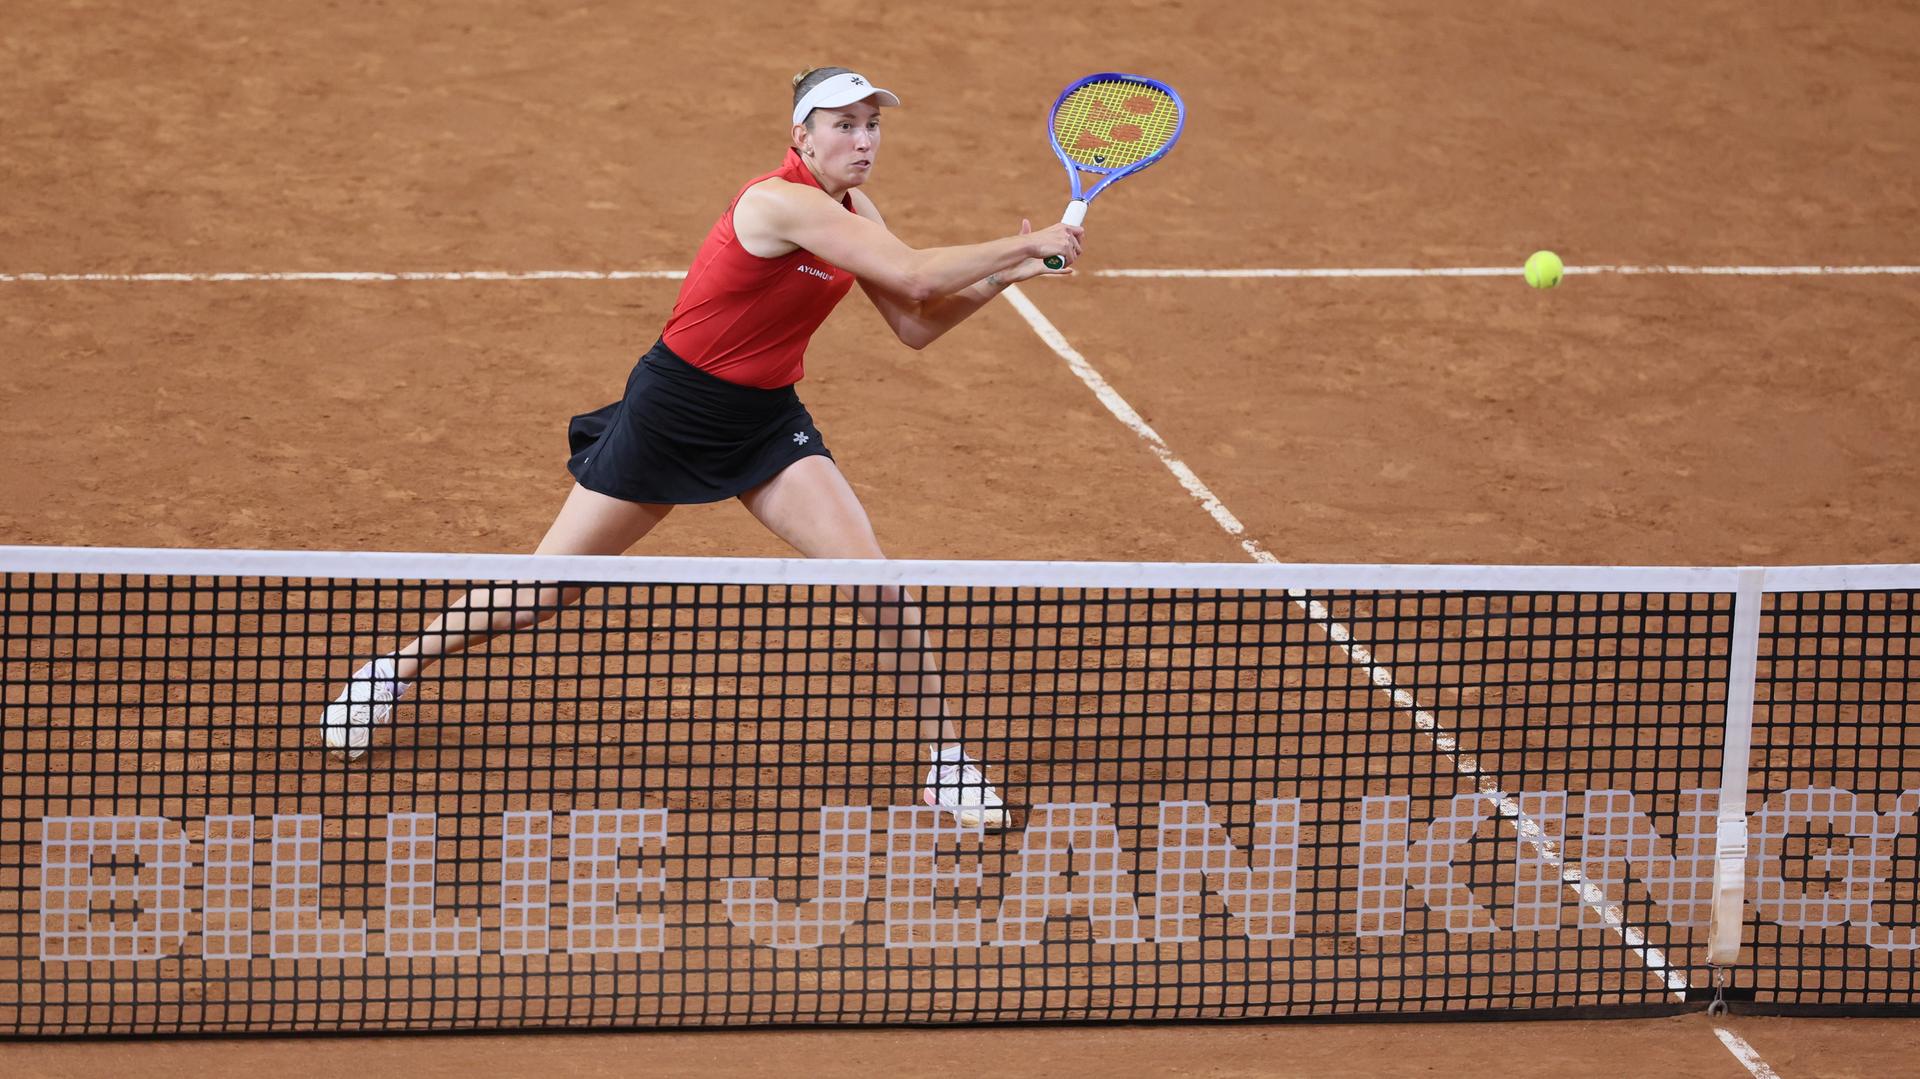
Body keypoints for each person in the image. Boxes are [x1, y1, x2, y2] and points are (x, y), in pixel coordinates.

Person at [320, 66, 1084, 830]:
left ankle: (947, 763)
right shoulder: (777, 201)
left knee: (876, 581)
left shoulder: (856, 209)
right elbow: (918, 276)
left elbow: (915, 323)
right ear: (802, 136)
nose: (863, 139)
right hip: (673, 415)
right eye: (844, 124)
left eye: (871, 124)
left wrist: (1010, 274)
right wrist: (1031, 243)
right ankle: (388, 672)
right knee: (542, 591)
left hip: (764, 423)